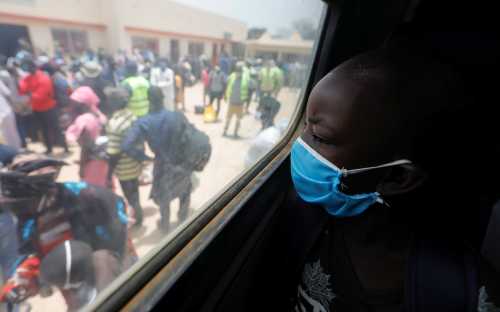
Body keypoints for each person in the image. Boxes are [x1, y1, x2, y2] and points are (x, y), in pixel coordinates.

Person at [282, 47, 500, 311]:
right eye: (304, 125)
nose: (300, 145)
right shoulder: (305, 220)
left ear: (396, 177)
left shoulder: (468, 296)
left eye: (320, 137)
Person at [0, 157, 136, 311]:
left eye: (19, 205)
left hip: (110, 275)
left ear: (38, 196)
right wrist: (22, 283)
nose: (17, 212)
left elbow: (120, 240)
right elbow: (43, 258)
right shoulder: (32, 220)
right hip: (75, 289)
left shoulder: (88, 199)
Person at [122, 87, 209, 232]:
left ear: (148, 101)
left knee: (164, 197)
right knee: (185, 190)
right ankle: (182, 219)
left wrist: (144, 158)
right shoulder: (177, 116)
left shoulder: (143, 122)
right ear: (163, 98)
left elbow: (126, 146)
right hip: (182, 162)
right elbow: (191, 135)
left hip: (162, 165)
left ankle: (165, 226)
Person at [106, 87, 144, 227]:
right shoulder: (132, 116)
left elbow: (114, 153)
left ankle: (138, 218)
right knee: (135, 191)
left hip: (124, 168)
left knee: (130, 195)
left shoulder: (114, 124)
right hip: (135, 163)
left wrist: (109, 173)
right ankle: (139, 215)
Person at [65, 87, 108, 187]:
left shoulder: (84, 120)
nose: (72, 105)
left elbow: (86, 147)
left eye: (75, 102)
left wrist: (82, 168)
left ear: (83, 104)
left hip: (92, 163)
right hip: (103, 159)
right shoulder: (99, 115)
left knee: (92, 191)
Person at [18, 55, 59, 154]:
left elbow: (40, 96)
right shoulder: (27, 78)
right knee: (44, 130)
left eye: (29, 66)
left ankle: (64, 146)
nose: (28, 69)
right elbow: (22, 90)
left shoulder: (43, 77)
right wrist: (30, 94)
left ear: (34, 66)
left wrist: (30, 94)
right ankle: (49, 148)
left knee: (55, 127)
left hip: (49, 108)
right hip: (37, 109)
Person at [223, 62, 250, 138]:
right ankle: (225, 131)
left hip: (240, 104)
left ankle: (235, 133)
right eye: (237, 71)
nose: (238, 73)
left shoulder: (245, 77)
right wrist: (225, 95)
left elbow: (250, 84)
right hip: (232, 102)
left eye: (240, 71)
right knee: (228, 118)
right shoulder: (232, 76)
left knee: (238, 119)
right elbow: (226, 83)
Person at [0, 79, 21, 149]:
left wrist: (14, 106)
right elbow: (8, 94)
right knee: (9, 134)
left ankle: (15, 151)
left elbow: (8, 94)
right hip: (6, 111)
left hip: (5, 110)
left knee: (10, 134)